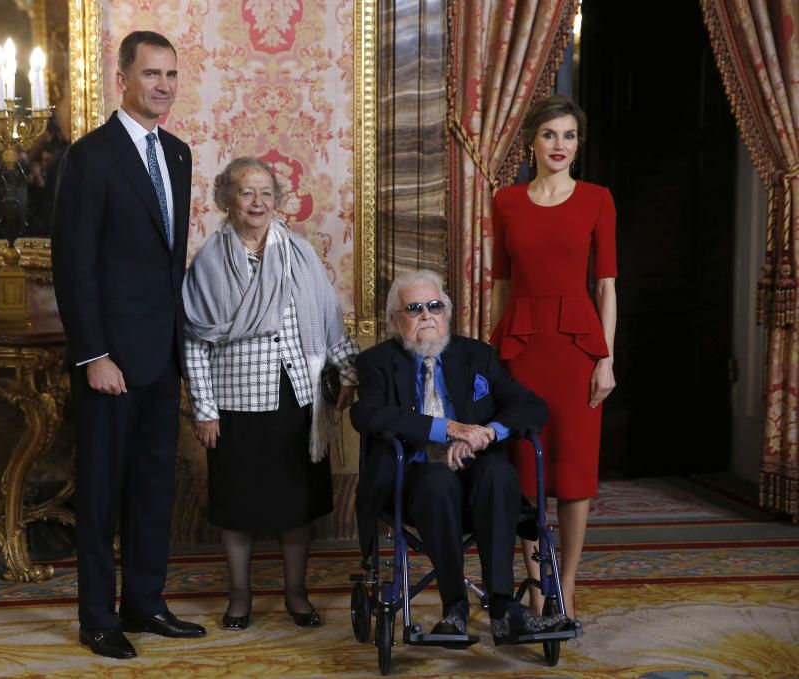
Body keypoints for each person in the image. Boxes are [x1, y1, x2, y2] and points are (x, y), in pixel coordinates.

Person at [51, 30, 204, 660]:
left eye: (170, 74)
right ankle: (97, 616)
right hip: (110, 358)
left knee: (152, 487)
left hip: (162, 354)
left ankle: (145, 602)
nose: (163, 85)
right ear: (124, 78)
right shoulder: (90, 156)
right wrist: (93, 354)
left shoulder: (178, 153)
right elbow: (73, 263)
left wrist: (182, 351)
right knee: (102, 490)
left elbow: (168, 268)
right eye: (151, 74)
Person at [183, 157, 358, 631]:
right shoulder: (209, 262)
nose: (257, 202)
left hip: (297, 397)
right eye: (246, 192)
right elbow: (194, 342)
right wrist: (204, 409)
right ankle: (239, 595)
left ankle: (295, 594)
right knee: (236, 503)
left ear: (278, 201)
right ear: (226, 200)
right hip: (236, 402)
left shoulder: (300, 253)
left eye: (266, 193)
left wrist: (347, 374)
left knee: (296, 504)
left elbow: (329, 319)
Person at [351, 270, 567, 640]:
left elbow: (530, 405)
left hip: (478, 484)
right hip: (415, 486)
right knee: (436, 481)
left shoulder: (477, 355)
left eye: (434, 306)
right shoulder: (377, 362)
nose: (426, 316)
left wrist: (486, 433)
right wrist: (448, 429)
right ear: (394, 321)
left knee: (499, 473)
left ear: (447, 314)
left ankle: (503, 608)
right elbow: (367, 414)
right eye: (413, 308)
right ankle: (454, 607)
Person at [490, 94, 617, 617]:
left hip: (578, 350)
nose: (559, 145)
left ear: (577, 143)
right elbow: (500, 284)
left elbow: (607, 286)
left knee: (573, 471)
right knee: (525, 471)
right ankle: (538, 586)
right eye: (549, 135)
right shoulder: (506, 202)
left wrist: (606, 360)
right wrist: (490, 356)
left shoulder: (597, 199)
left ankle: (567, 587)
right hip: (520, 347)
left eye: (569, 135)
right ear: (532, 143)